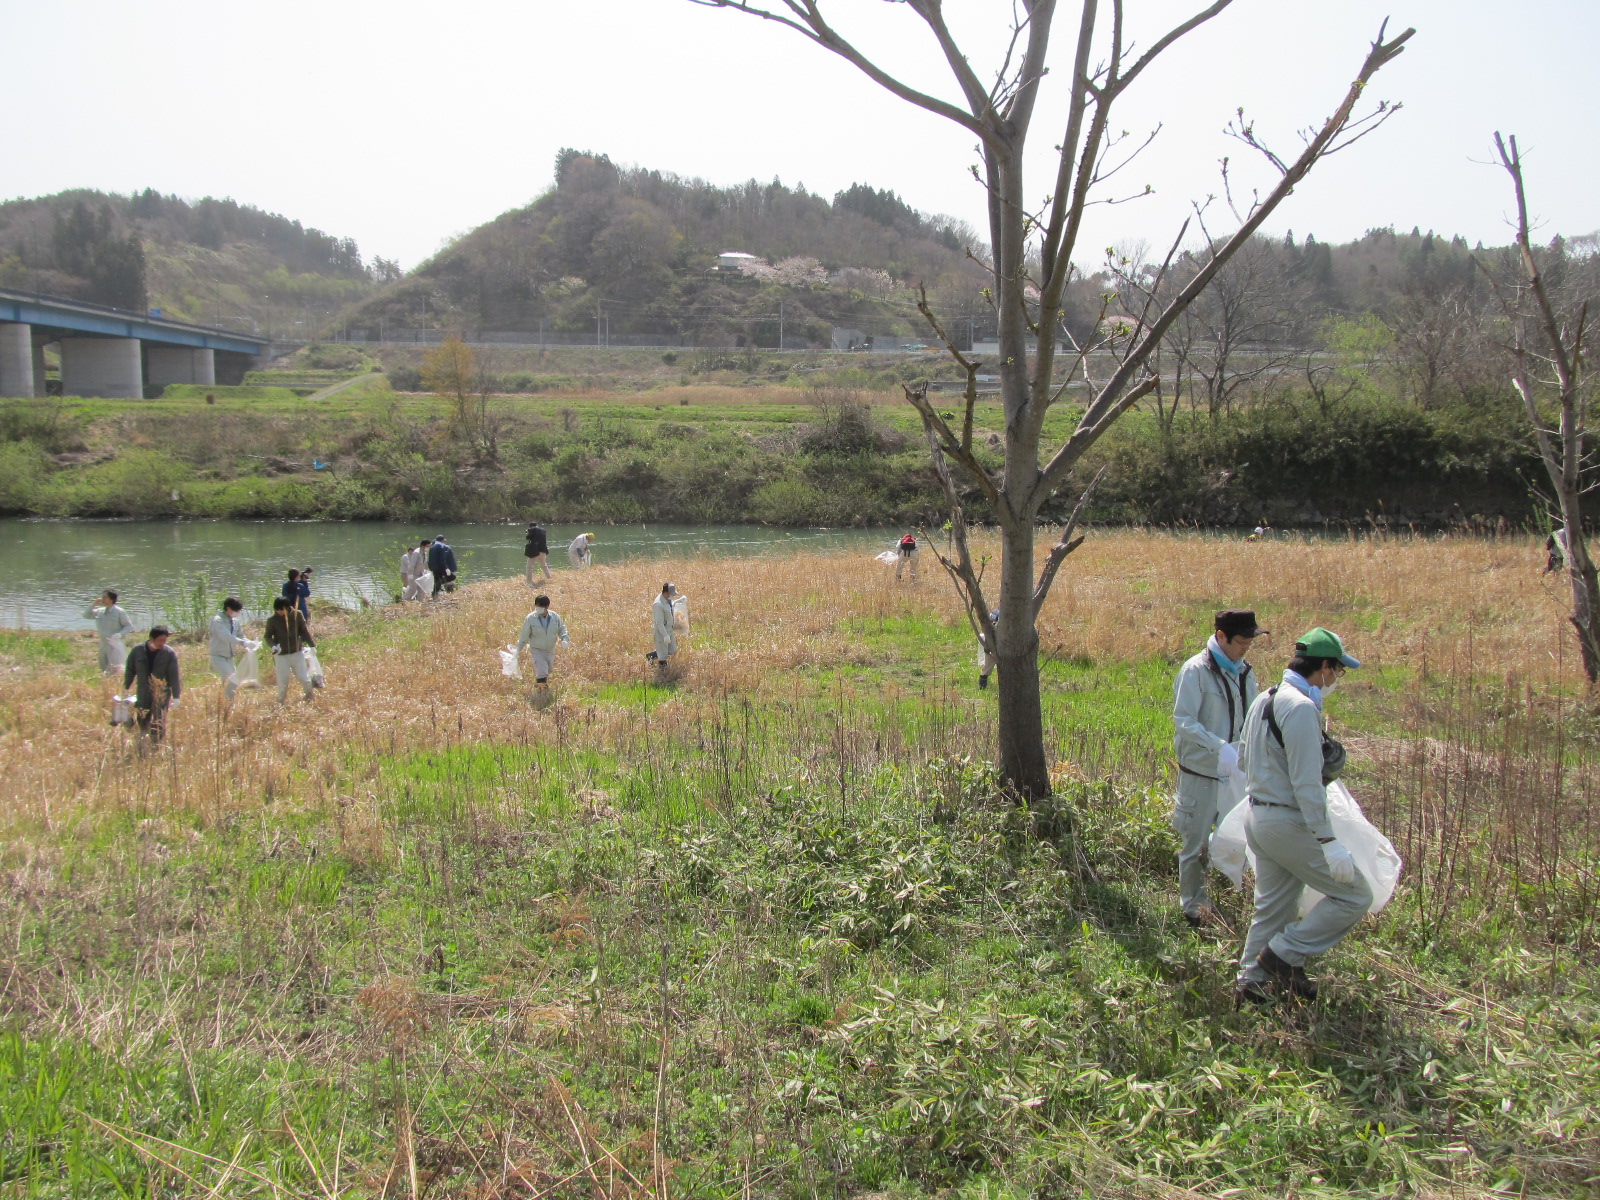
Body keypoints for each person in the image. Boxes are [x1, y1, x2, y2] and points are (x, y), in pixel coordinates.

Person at [1235, 627, 1370, 1005]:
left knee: (1274, 906)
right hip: (1286, 822)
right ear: (1324, 667)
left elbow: (1246, 759)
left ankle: (1251, 985)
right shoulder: (1300, 707)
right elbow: (1307, 784)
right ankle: (1284, 955)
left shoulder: (1265, 698)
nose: (1335, 680)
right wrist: (1328, 842)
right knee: (1355, 895)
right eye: (1337, 671)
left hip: (1257, 815)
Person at [1171, 609, 1267, 931]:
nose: (1245, 648)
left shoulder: (1245, 672)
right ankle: (1195, 911)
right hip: (1200, 773)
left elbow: (1251, 715)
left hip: (1235, 773)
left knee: (1234, 838)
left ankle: (1231, 896)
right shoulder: (1195, 671)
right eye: (1241, 641)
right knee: (1195, 844)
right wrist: (1218, 746)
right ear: (1221, 637)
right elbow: (1183, 720)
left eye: (1250, 642)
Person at [123, 625, 181, 747]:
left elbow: (174, 675)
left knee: (159, 719)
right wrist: (126, 687)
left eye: (165, 640)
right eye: (160, 640)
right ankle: (142, 741)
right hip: (143, 689)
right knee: (142, 716)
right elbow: (130, 670)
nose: (163, 643)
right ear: (151, 638)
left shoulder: (169, 653)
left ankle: (157, 745)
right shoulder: (137, 651)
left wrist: (176, 696)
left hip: (162, 691)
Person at [264, 595, 317, 703]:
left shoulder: (297, 615)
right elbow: (267, 636)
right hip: (281, 655)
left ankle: (310, 695)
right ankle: (281, 700)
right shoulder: (272, 620)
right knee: (283, 680)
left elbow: (304, 631)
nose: (279, 612)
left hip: (297, 652)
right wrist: (273, 646)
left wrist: (312, 645)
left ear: (287, 608)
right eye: (277, 610)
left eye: (281, 610)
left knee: (303, 677)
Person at [516, 594, 570, 691]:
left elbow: (562, 628)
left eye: (540, 607)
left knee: (548, 670)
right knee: (542, 670)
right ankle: (542, 692)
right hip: (537, 649)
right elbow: (524, 635)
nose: (538, 608)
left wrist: (565, 639)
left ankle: (541, 686)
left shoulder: (554, 617)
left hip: (550, 649)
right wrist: (517, 650)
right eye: (536, 606)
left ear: (547, 607)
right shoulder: (530, 618)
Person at [207, 597, 255, 701]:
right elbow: (226, 636)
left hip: (230, 658)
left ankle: (226, 703)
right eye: (235, 611)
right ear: (228, 609)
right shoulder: (217, 620)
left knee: (232, 682)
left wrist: (249, 643)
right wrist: (242, 642)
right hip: (218, 656)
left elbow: (241, 635)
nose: (237, 613)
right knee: (231, 679)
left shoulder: (235, 621)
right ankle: (227, 704)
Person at [83, 589, 135, 674]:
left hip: (115, 644)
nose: (101, 599)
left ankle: (114, 683)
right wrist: (93, 604)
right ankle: (106, 684)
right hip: (103, 643)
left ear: (111, 599)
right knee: (103, 665)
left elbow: (128, 626)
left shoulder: (119, 612)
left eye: (104, 597)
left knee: (114, 668)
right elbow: (86, 615)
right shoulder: (100, 611)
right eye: (102, 597)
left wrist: (119, 634)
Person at [647, 582, 681, 668]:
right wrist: (665, 635)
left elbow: (670, 606)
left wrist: (680, 601)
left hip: (669, 629)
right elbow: (659, 623)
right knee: (663, 655)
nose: (672, 596)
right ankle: (663, 675)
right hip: (661, 632)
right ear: (666, 593)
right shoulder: (658, 604)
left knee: (672, 650)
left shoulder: (667, 599)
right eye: (671, 594)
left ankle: (652, 655)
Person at [977, 607, 1000, 689]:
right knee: (989, 665)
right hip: (993, 641)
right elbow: (988, 629)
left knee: (988, 666)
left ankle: (982, 685)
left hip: (996, 641)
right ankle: (982, 686)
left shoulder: (996, 612)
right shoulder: (998, 613)